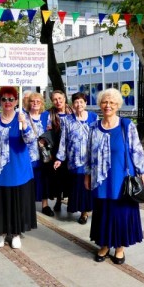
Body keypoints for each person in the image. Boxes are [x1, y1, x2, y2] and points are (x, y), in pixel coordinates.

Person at [85, 88, 144, 265]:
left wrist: (143, 173)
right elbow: (89, 154)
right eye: (105, 102)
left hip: (121, 177)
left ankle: (120, 247)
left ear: (117, 105)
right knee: (104, 212)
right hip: (101, 179)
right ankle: (105, 244)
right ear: (100, 104)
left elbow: (136, 150)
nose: (108, 105)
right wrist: (87, 174)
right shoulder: (93, 128)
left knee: (120, 212)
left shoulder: (126, 125)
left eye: (112, 102)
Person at [0, 87, 37, 249]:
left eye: (11, 99)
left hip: (18, 168)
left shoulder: (23, 117)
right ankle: (1, 233)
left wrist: (24, 124)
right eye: (4, 99)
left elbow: (31, 140)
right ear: (0, 101)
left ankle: (16, 233)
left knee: (17, 201)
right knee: (1, 201)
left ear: (16, 101)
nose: (7, 102)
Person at [55, 92, 98, 224]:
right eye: (76, 102)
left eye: (81, 101)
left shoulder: (93, 117)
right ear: (72, 104)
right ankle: (80, 208)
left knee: (87, 185)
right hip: (74, 159)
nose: (79, 104)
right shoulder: (67, 120)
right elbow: (63, 140)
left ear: (85, 103)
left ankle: (85, 212)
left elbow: (98, 138)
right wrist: (59, 158)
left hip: (89, 159)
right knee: (77, 186)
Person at [24, 92, 53, 216]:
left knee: (43, 179)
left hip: (42, 154)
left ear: (41, 103)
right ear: (28, 103)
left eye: (38, 101)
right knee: (29, 180)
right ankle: (28, 205)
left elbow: (51, 132)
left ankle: (45, 205)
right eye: (32, 101)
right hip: (27, 154)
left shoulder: (46, 115)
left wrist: (45, 140)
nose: (35, 103)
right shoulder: (24, 116)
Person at [48, 89, 73, 213]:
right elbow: (47, 134)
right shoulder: (50, 114)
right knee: (58, 178)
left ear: (64, 98)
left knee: (70, 178)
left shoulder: (72, 112)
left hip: (72, 152)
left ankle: (70, 202)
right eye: (55, 99)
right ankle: (58, 200)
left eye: (60, 98)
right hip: (56, 151)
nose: (58, 101)